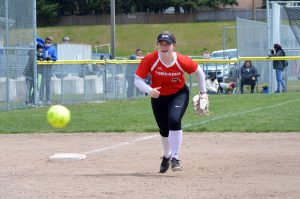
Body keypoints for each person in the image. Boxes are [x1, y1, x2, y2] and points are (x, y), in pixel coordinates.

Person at [134, 31, 207, 173]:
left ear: (173, 45)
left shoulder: (181, 60)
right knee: (163, 129)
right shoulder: (151, 59)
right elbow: (137, 79)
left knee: (174, 120)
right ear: (157, 45)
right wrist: (149, 90)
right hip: (158, 96)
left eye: (167, 43)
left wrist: (204, 93)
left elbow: (199, 72)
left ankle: (175, 157)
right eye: (161, 43)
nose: (164, 46)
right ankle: (167, 155)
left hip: (178, 93)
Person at [38, 36, 57, 106]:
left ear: (51, 42)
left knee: (48, 85)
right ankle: (40, 100)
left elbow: (55, 58)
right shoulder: (42, 47)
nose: (47, 43)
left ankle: (48, 100)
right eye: (46, 42)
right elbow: (36, 38)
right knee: (41, 85)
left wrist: (50, 58)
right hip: (41, 69)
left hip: (48, 69)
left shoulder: (53, 49)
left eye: (49, 42)